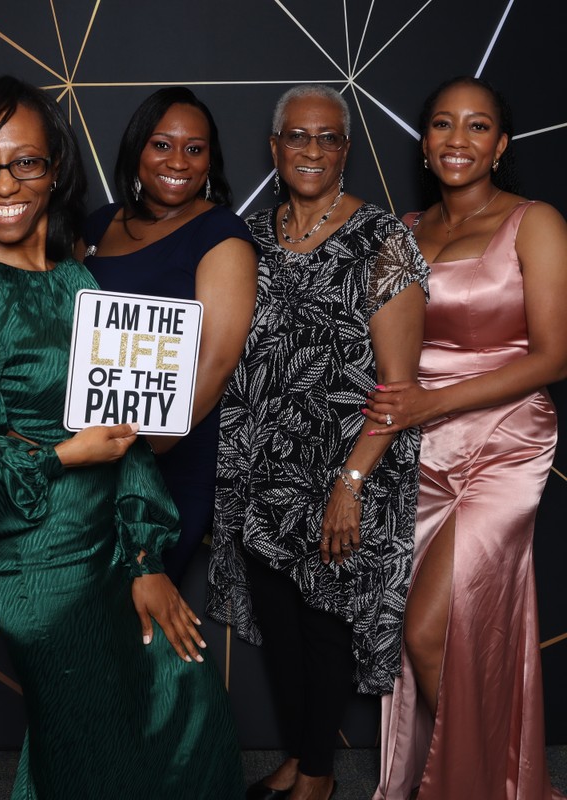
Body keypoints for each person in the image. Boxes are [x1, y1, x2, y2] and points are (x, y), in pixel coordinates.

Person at [0, 75, 244, 800]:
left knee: (183, 705)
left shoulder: (77, 278)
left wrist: (146, 559)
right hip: (37, 567)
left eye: (26, 161)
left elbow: (126, 433)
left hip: (113, 544)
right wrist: (58, 454)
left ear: (55, 172)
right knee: (88, 740)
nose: (4, 183)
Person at [207, 84, 429, 800]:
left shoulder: (383, 239)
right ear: (275, 149)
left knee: (324, 624)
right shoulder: (250, 234)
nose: (311, 149)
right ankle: (302, 759)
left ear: (345, 150)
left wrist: (351, 483)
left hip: (342, 469)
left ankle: (321, 777)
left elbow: (397, 389)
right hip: (259, 470)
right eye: (297, 137)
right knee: (278, 625)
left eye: (327, 137)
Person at [368, 76, 567, 800]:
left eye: (477, 127)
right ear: (424, 143)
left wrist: (432, 403)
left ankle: (475, 786)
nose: (459, 140)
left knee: (429, 631)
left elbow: (553, 355)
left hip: (505, 440)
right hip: (419, 447)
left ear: (501, 145)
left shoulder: (535, 222)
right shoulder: (405, 231)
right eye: (443, 125)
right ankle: (494, 779)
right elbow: (380, 349)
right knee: (451, 632)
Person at [81, 87, 258, 583]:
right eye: (162, 144)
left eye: (194, 148)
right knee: (82, 617)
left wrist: (149, 445)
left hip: (167, 460)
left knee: (136, 614)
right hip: (87, 453)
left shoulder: (221, 234)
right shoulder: (99, 223)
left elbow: (217, 362)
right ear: (137, 148)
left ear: (209, 161)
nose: (178, 160)